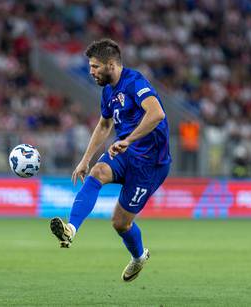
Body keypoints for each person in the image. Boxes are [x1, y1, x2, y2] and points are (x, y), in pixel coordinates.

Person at [50, 38, 171, 282]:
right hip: (124, 153)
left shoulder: (135, 82)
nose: (91, 72)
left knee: (120, 223)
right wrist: (85, 159)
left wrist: (129, 139)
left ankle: (139, 257)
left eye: (95, 67)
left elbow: (157, 113)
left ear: (111, 65)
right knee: (96, 172)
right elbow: (105, 124)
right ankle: (70, 230)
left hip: (150, 164)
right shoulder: (107, 91)